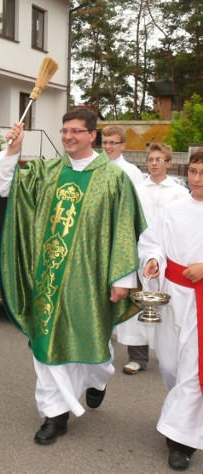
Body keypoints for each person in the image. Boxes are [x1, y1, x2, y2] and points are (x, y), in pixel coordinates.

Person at [0, 108, 146, 445]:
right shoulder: (46, 172)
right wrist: (13, 151)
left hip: (90, 280)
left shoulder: (113, 178)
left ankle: (98, 380)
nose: (68, 137)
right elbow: (5, 187)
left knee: (94, 346)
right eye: (64, 131)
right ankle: (54, 416)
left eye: (76, 131)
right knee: (46, 345)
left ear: (93, 135)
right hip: (48, 278)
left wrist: (122, 278)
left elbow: (123, 230)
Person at [137, 149, 203, 471]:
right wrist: (152, 261)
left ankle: (182, 442)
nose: (197, 179)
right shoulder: (174, 209)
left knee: (193, 370)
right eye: (193, 172)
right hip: (173, 293)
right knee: (170, 363)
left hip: (201, 300)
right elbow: (152, 242)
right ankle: (180, 418)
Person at [117, 142, 189, 376]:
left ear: (168, 163)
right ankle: (137, 356)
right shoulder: (138, 190)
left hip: (169, 257)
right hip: (141, 253)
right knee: (139, 302)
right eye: (151, 160)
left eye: (159, 159)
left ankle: (171, 354)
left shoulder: (179, 192)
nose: (154, 163)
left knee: (169, 307)